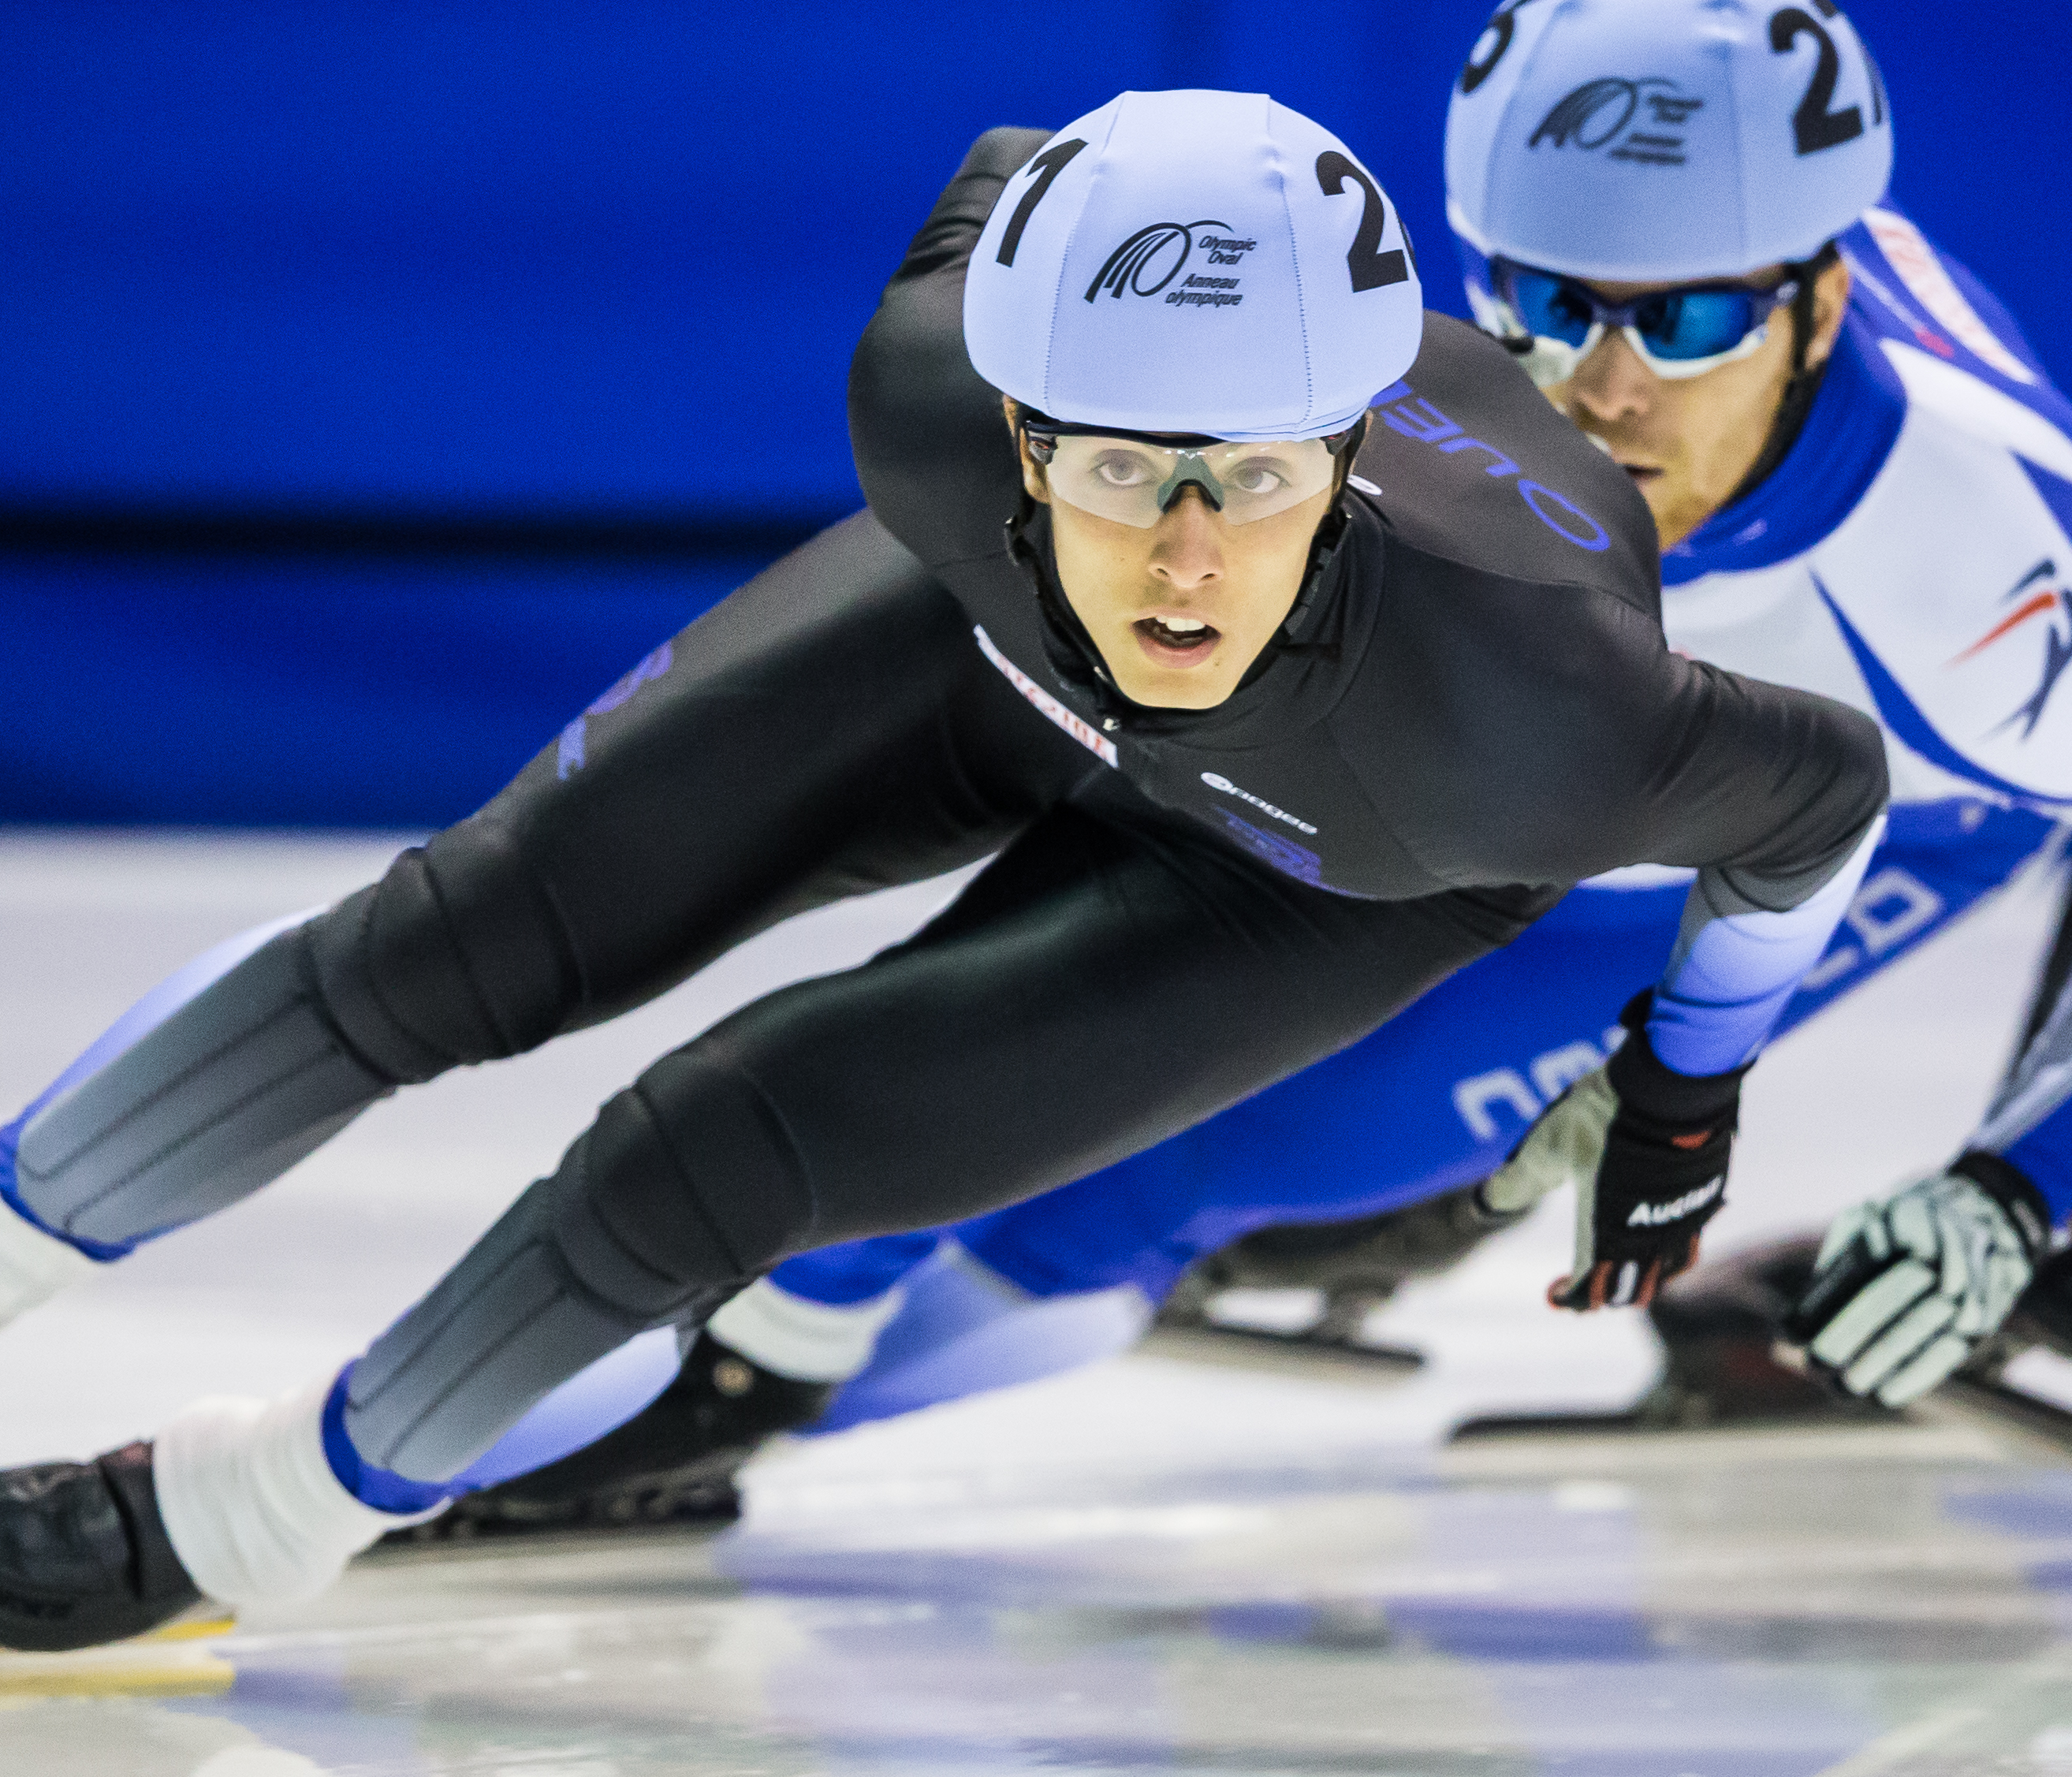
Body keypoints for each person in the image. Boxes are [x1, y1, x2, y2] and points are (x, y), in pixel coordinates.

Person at [0, 87, 1884, 1652]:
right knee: (458, 932)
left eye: (1252, 478)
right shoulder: (926, 396)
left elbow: (1821, 797)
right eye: (1118, 465)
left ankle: (248, 1520)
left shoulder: (1525, 725)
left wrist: (1686, 1091)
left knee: (710, 1154)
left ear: (1349, 460)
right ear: (1016, 426)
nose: (1183, 556)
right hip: (991, 647)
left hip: (1334, 849)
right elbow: (1009, 161)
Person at [406, 0, 2072, 1541]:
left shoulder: (1984, 573)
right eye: (1553, 303)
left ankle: (759, 1395)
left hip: (1879, 813)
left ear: (1822, 303)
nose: (1604, 389)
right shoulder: (1424, 373)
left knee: (1196, 1166)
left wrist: (2015, 1184)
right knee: (1069, 1015)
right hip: (1593, 757)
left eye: (1693, 321)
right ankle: (773, 1345)